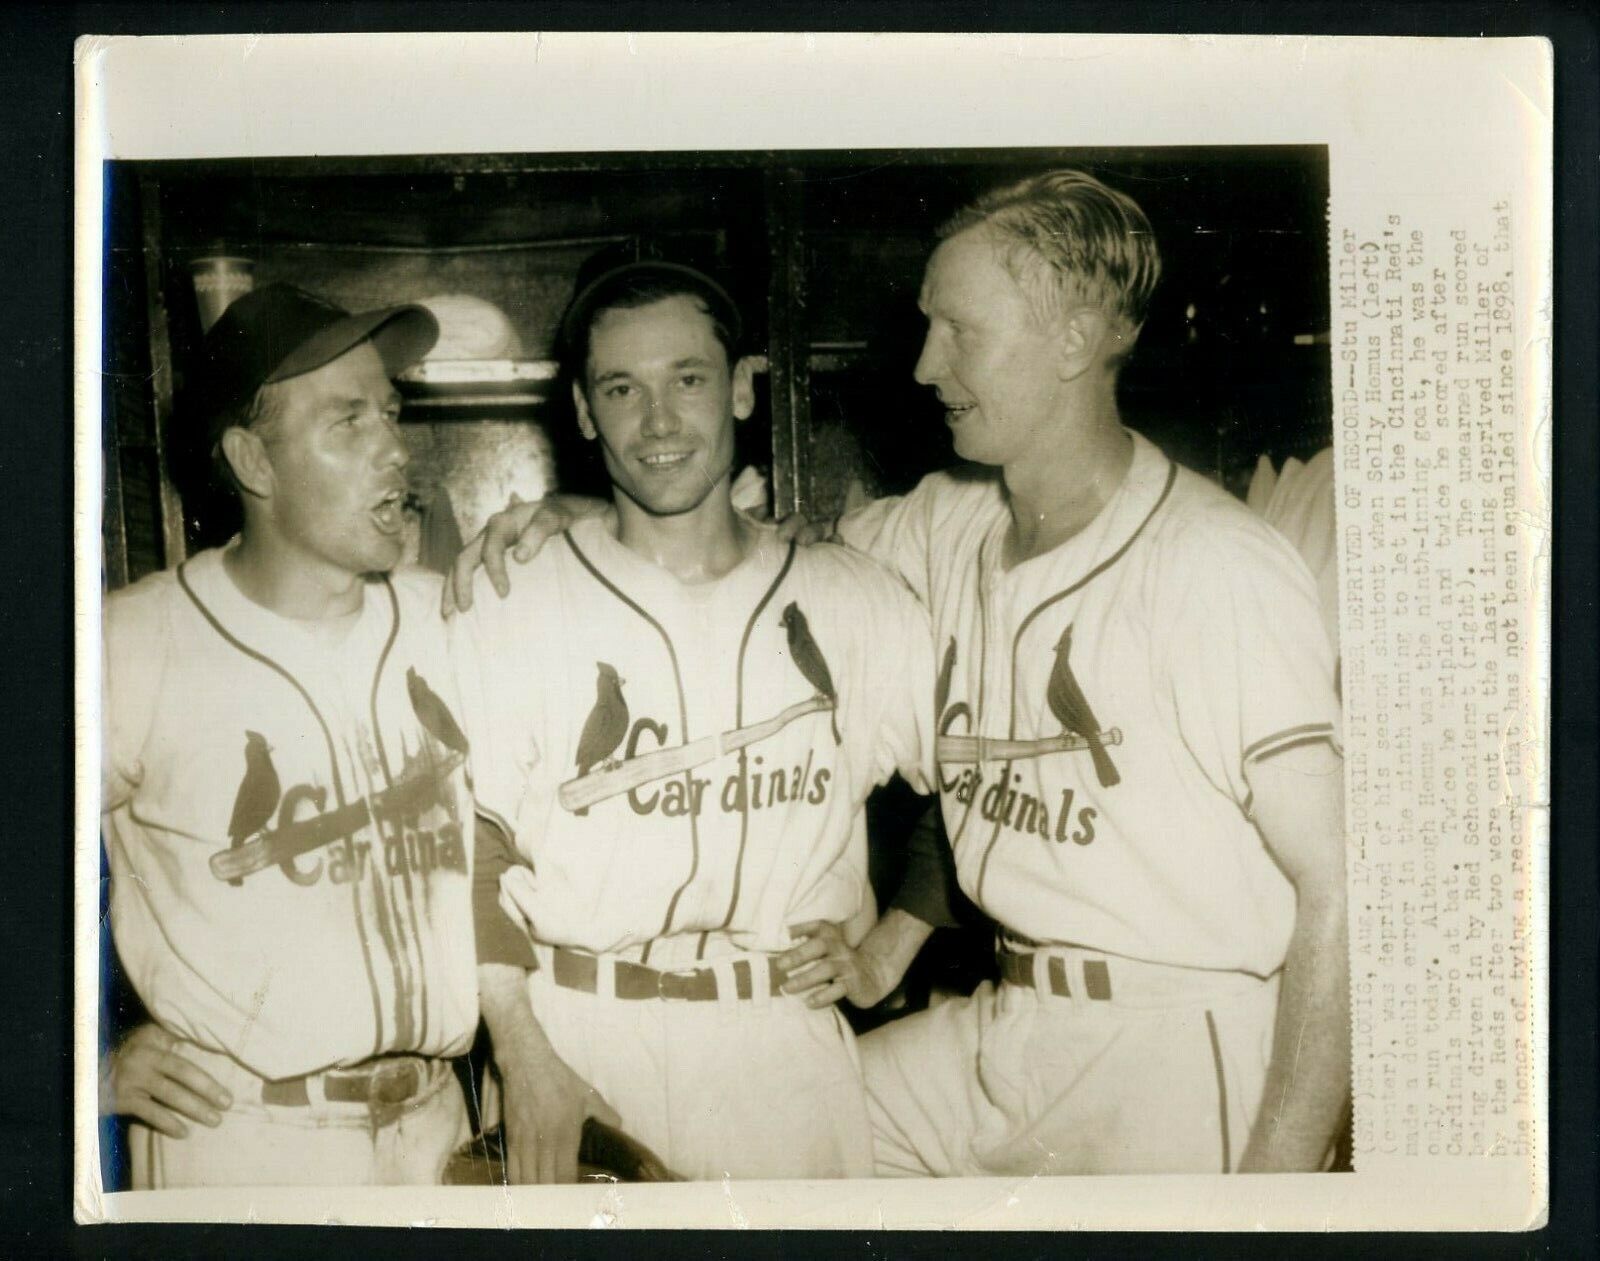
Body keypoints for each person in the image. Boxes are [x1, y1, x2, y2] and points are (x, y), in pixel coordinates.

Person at [451, 169, 1350, 1177]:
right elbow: (757, 546)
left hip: (1170, 1028)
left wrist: (1282, 1180)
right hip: (1004, 1016)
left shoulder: (1216, 564)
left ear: (1075, 334)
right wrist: (597, 518)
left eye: (959, 330)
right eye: (927, 327)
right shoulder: (943, 524)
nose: (924, 364)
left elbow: (1340, 887)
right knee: (824, 1130)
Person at [449, 242, 935, 1183]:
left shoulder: (858, 598)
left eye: (688, 379)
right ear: (585, 412)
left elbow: (975, 784)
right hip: (580, 1038)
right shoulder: (515, 598)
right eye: (622, 389)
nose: (659, 420)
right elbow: (464, 851)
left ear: (744, 389)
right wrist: (521, 1049)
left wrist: (890, 948)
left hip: (778, 1040)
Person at [100, 284, 479, 1188]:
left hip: (438, 1123)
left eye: (390, 411)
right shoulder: (134, 642)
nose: (395, 447)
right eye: (348, 421)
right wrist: (82, 1059)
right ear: (253, 463)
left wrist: (559, 520)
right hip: (244, 1137)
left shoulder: (449, 616)